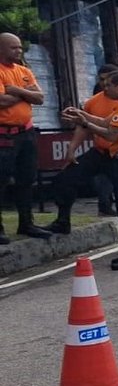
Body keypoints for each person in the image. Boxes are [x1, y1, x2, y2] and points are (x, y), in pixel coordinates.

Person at [63, 71, 118, 270]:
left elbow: (111, 135)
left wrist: (86, 124)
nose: (105, 89)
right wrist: (82, 115)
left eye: (109, 85)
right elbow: (106, 122)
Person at [48, 64, 118, 235]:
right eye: (101, 80)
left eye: (109, 81)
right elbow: (83, 127)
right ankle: (63, 221)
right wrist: (72, 150)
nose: (104, 84)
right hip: (100, 152)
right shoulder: (93, 101)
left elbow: (106, 126)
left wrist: (86, 120)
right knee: (65, 179)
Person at [0, 32, 51, 244]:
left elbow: (39, 98)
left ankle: (26, 222)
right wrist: (25, 93)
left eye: (20, 47)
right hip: (4, 135)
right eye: (14, 48)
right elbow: (1, 102)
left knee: (27, 179)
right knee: (1, 180)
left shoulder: (24, 71)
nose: (19, 51)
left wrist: (16, 91)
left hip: (27, 133)